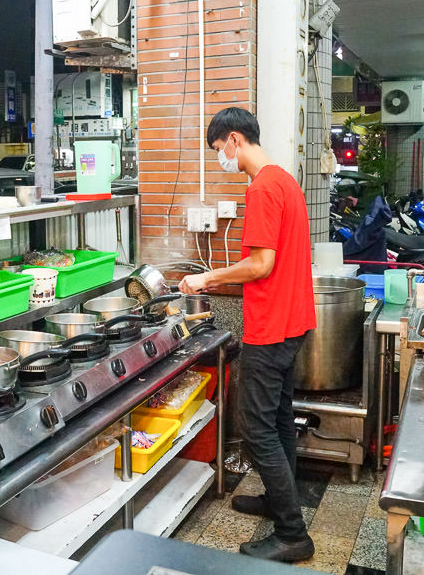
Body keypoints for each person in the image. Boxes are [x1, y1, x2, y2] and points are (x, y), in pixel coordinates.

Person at [178, 107, 316, 563]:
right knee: (278, 421)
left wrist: (207, 276)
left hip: (270, 327)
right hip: (292, 321)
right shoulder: (285, 181)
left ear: (235, 139)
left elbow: (261, 265)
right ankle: (281, 503)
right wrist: (213, 282)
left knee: (256, 430)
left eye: (220, 150)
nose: (222, 159)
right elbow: (266, 269)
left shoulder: (261, 189)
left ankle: (292, 534)